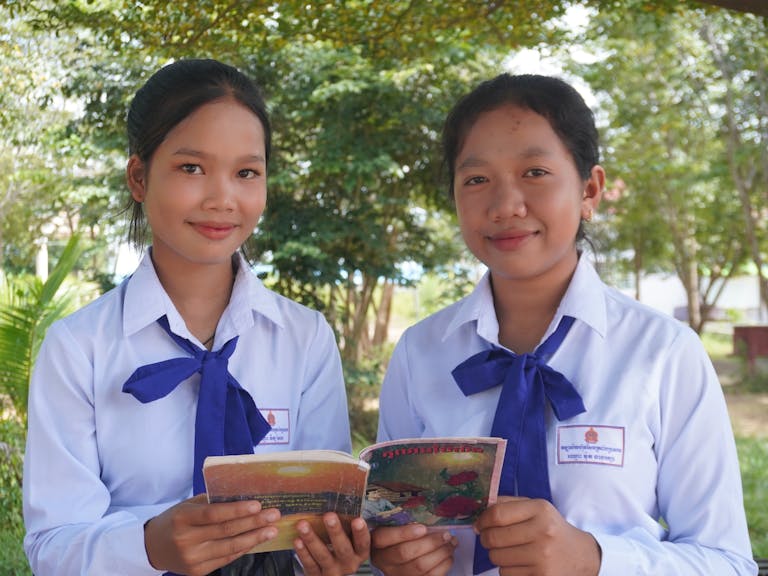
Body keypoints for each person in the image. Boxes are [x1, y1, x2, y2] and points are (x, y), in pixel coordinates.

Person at [370, 73, 757, 576]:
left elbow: (727, 562)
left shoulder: (663, 353)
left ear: (589, 190)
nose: (505, 205)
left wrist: (595, 560)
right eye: (476, 179)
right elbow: (390, 528)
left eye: (534, 172)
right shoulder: (420, 351)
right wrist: (394, 557)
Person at [23, 58, 369, 576]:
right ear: (139, 177)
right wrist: (148, 547)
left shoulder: (305, 338)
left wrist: (333, 556)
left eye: (246, 173)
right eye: (192, 168)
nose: (222, 199)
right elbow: (52, 544)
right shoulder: (79, 347)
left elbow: (324, 518)